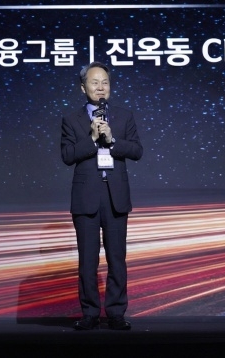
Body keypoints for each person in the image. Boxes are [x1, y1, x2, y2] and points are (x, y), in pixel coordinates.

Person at [61, 62, 143, 330]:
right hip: (86, 197)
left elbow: (137, 151)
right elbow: (67, 155)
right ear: (83, 87)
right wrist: (92, 139)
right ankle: (90, 314)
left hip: (115, 196)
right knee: (88, 260)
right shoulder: (71, 119)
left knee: (117, 259)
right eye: (94, 82)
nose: (100, 87)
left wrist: (113, 140)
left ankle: (116, 313)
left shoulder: (124, 116)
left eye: (105, 82)